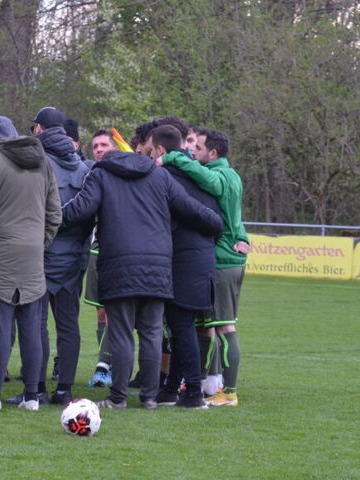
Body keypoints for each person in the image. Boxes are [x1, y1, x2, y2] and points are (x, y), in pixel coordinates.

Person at [62, 146, 222, 410]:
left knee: (121, 333)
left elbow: (80, 209)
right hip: (158, 267)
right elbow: (191, 209)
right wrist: (216, 225)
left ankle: (118, 398)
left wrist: (46, 217)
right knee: (151, 333)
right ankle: (149, 397)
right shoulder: (159, 176)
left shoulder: (102, 174)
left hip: (118, 265)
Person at [0, 115, 61, 412]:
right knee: (32, 327)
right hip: (32, 256)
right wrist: (38, 244)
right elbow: (55, 215)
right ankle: (32, 396)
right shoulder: (44, 163)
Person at [162, 128, 251, 407]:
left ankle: (229, 391)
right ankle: (203, 383)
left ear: (213, 153)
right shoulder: (233, 176)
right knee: (210, 327)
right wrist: (243, 237)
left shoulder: (220, 177)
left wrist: (173, 158)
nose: (193, 153)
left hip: (223, 260)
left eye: (197, 148)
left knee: (224, 327)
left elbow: (205, 178)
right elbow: (235, 217)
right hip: (228, 257)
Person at [6, 107, 89, 407]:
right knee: (68, 325)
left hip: (40, 256)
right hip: (73, 259)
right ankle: (64, 389)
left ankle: (36, 388)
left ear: (39, 129)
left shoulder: (38, 164)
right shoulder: (83, 167)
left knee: (35, 323)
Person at [151, 125, 219, 409]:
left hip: (184, 260)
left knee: (181, 327)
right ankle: (170, 388)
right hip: (202, 259)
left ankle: (192, 391)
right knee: (182, 326)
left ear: (159, 151)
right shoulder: (200, 176)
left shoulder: (166, 178)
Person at [86, 129, 119, 388]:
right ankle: (105, 366)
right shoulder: (90, 174)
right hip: (95, 252)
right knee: (101, 314)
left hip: (117, 252)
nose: (99, 149)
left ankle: (107, 366)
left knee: (117, 314)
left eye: (104, 144)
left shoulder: (122, 173)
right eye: (95, 145)